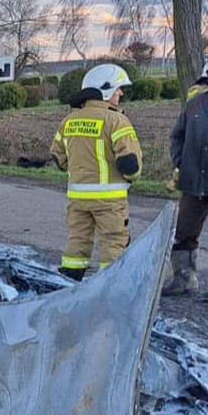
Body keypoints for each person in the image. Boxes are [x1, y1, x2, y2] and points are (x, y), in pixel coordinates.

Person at [49, 64, 141, 281]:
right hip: (109, 200)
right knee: (114, 242)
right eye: (118, 88)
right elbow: (131, 165)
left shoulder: (69, 120)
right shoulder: (116, 120)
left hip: (78, 199)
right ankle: (112, 286)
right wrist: (131, 180)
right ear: (106, 89)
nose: (121, 93)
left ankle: (69, 282)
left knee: (77, 241)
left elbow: (58, 158)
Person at [162, 60, 208, 296]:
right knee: (184, 232)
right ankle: (184, 279)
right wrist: (181, 162)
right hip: (194, 181)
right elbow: (176, 136)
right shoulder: (194, 105)